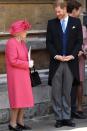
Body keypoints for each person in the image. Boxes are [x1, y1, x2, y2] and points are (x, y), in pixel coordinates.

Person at [46, 0, 83, 128]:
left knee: (67, 91)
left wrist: (72, 55)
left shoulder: (76, 22)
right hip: (56, 63)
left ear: (65, 8)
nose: (57, 14)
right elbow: (48, 43)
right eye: (56, 11)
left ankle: (67, 117)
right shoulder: (51, 23)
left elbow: (79, 42)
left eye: (59, 11)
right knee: (56, 92)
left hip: (70, 62)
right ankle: (58, 118)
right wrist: (56, 55)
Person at [5, 20, 34, 131]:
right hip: (15, 76)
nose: (26, 32)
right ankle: (12, 124)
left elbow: (24, 57)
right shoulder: (11, 43)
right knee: (17, 100)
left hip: (24, 75)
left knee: (24, 99)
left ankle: (20, 122)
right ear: (19, 31)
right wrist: (27, 64)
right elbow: (13, 61)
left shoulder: (22, 42)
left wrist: (29, 61)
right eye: (25, 30)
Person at [67, 0, 87, 119]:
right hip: (69, 58)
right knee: (71, 83)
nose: (80, 12)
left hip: (80, 58)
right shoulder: (64, 23)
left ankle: (78, 108)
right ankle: (70, 109)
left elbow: (84, 42)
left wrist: (84, 50)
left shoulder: (81, 26)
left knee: (78, 82)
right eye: (79, 10)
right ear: (74, 10)